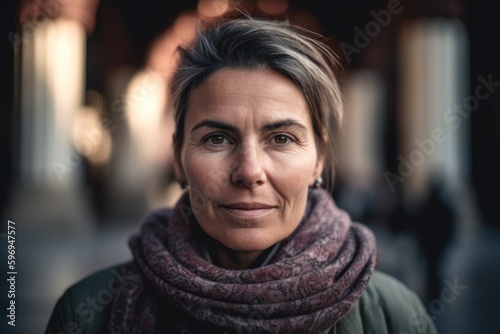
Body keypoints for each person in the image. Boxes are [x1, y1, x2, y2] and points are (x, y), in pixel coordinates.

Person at [45, 17, 437, 334]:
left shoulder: (393, 316)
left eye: (281, 138)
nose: (249, 172)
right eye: (217, 139)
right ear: (178, 158)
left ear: (318, 158)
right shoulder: (86, 314)